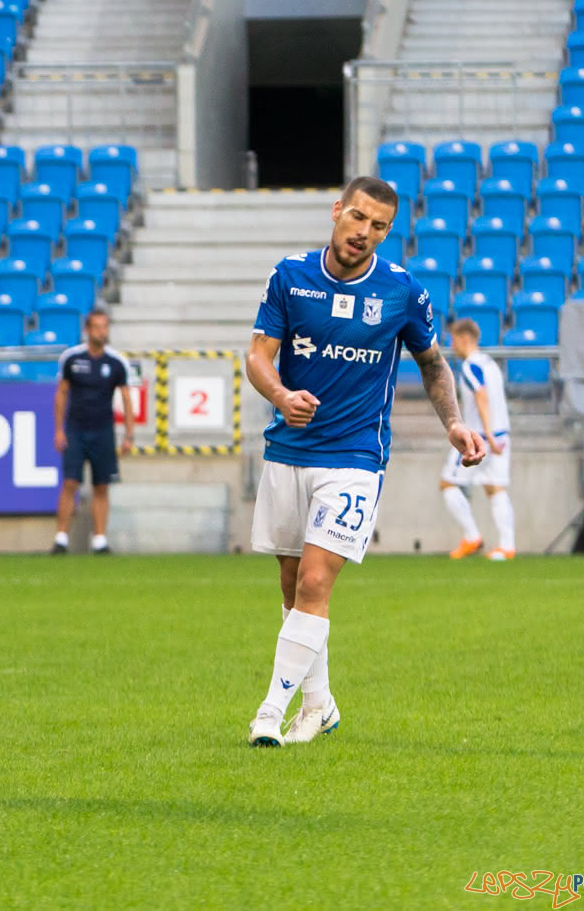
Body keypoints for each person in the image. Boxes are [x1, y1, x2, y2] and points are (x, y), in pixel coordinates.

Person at [245, 176, 485, 747]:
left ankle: (269, 714)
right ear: (337, 211)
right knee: (292, 585)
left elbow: (432, 364)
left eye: (379, 226)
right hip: (289, 449)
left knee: (315, 579)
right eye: (357, 217)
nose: (364, 232)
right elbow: (258, 355)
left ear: (388, 231)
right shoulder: (290, 276)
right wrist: (280, 395)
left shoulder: (402, 291)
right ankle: (320, 705)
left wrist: (453, 422)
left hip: (355, 456)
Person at [51, 309, 137, 554]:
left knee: (102, 485)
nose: (102, 332)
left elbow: (126, 399)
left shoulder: (116, 362)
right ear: (88, 330)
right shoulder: (71, 359)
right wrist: (58, 430)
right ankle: (61, 538)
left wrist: (129, 435)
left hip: (103, 431)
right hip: (76, 430)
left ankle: (99, 540)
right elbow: (62, 394)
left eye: (105, 327)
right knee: (70, 482)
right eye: (97, 327)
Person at [439, 318, 515, 561]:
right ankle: (507, 546)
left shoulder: (471, 366)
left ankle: (472, 537)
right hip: (501, 436)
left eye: (453, 340)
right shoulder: (490, 364)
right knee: (495, 487)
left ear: (463, 338)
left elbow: (481, 395)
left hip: (479, 437)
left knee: (448, 484)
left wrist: (488, 434)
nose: (452, 345)